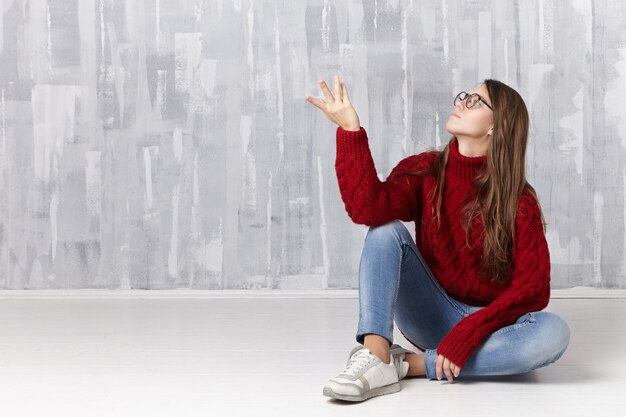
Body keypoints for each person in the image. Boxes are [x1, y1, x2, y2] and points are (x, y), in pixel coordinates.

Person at [305, 76, 571, 402]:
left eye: (475, 101)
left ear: (495, 127)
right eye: (464, 97)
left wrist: (471, 331)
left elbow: (533, 290)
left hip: (492, 328)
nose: (460, 102)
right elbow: (367, 209)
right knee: (385, 231)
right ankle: (375, 354)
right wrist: (350, 131)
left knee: (553, 334)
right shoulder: (424, 171)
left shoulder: (520, 200)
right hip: (433, 314)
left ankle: (408, 366)